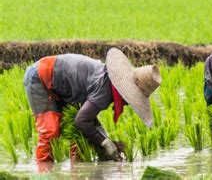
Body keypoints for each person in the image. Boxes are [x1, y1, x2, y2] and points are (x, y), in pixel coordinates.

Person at [23, 48, 161, 162]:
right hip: (40, 78)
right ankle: (43, 173)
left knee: (79, 141)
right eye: (132, 98)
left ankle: (77, 173)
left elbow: (89, 118)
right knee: (50, 132)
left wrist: (106, 139)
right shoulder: (105, 90)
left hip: (65, 88)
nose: (129, 103)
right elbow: (81, 120)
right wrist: (105, 143)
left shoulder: (108, 84)